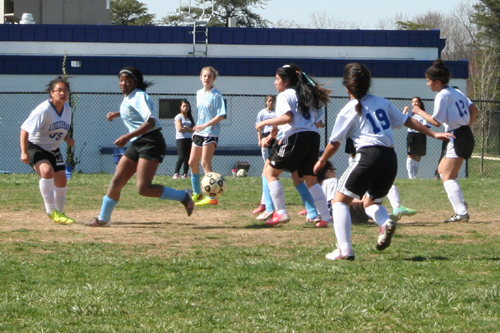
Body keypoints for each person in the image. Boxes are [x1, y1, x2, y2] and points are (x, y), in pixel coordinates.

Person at [314, 63, 453, 260]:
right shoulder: (381, 102)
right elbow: (406, 120)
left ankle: (344, 250)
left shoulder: (348, 110)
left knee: (339, 202)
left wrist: (321, 161)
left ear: (347, 86)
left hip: (367, 156)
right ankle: (385, 222)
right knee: (371, 201)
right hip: (390, 158)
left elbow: (334, 143)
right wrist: (433, 133)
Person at [85, 66, 194, 227]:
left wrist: (126, 136)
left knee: (144, 188)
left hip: (151, 142)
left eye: (128, 81)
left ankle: (183, 196)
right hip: (137, 143)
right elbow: (133, 111)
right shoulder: (129, 96)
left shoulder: (140, 96)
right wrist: (117, 114)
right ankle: (103, 218)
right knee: (116, 181)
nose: (123, 83)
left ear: (136, 83)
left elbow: (150, 122)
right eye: (121, 80)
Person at [255, 63, 332, 226]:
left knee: (270, 173)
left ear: (286, 81)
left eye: (277, 79)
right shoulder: (304, 94)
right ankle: (325, 217)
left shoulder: (284, 95)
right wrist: (275, 132)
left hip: (297, 137)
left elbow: (288, 118)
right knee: (310, 178)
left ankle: (280, 212)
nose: (275, 83)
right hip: (312, 136)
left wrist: (264, 123)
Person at [412, 59, 477, 223]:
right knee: (442, 170)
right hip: (464, 133)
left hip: (457, 136)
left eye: (428, 81)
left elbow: (436, 122)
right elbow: (473, 108)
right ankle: (459, 203)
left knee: (447, 176)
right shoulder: (456, 92)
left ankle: (461, 212)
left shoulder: (443, 95)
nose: (427, 84)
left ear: (437, 81)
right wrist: (465, 124)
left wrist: (419, 111)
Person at [20, 76, 76, 224]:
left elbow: (60, 127)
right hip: (35, 146)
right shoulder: (44, 109)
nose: (62, 93)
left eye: (65, 90)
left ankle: (60, 213)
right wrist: (24, 152)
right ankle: (51, 211)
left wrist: (67, 138)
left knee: (62, 180)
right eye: (59, 90)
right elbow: (24, 130)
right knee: (46, 172)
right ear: (51, 93)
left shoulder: (67, 109)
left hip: (53, 148)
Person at [188, 66, 227, 206]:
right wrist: (197, 129)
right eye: (204, 76)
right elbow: (201, 115)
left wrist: (205, 125)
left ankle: (212, 197)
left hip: (211, 132)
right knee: (192, 162)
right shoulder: (199, 93)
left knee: (205, 163)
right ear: (200, 77)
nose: (207, 78)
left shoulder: (217, 95)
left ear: (213, 79)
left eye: (209, 76)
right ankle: (197, 193)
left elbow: (221, 115)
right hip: (199, 132)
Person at [253, 95, 276, 215]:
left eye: (272, 101)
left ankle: (266, 204)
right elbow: (259, 127)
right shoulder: (262, 113)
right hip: (266, 136)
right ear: (266, 102)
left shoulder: (277, 113)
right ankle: (266, 203)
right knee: (266, 171)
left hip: (275, 137)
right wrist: (260, 139)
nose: (270, 103)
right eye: (269, 101)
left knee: (267, 173)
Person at [402, 97, 430, 179]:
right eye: (413, 102)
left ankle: (414, 176)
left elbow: (426, 125)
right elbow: (402, 119)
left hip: (421, 135)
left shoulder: (424, 113)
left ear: (420, 103)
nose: (415, 103)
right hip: (411, 135)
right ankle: (410, 176)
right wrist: (405, 110)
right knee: (410, 155)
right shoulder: (410, 114)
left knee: (418, 156)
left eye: (416, 101)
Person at [173, 99, 195, 179]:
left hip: (189, 139)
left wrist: (186, 128)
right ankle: (176, 173)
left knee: (188, 157)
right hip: (180, 139)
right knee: (181, 156)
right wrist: (188, 128)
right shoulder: (178, 117)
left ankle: (185, 174)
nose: (185, 108)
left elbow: (193, 129)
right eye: (184, 106)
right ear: (180, 107)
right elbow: (179, 129)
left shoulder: (189, 118)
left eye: (187, 106)